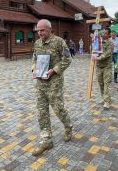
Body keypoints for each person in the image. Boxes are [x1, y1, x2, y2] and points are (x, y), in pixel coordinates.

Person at [31, 19, 73, 157]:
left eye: (42, 30)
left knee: (58, 109)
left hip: (54, 83)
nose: (39, 33)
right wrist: (33, 69)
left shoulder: (59, 42)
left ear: (49, 29)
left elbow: (68, 59)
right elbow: (34, 58)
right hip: (40, 84)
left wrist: (54, 70)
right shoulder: (37, 43)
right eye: (38, 30)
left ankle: (68, 126)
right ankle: (46, 140)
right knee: (42, 112)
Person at [92, 27, 114, 109]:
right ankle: (103, 98)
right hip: (98, 67)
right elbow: (94, 49)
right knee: (101, 84)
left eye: (105, 33)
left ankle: (107, 102)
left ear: (109, 34)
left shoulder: (110, 43)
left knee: (107, 84)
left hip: (107, 67)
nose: (103, 34)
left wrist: (99, 58)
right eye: (103, 33)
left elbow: (108, 53)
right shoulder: (98, 41)